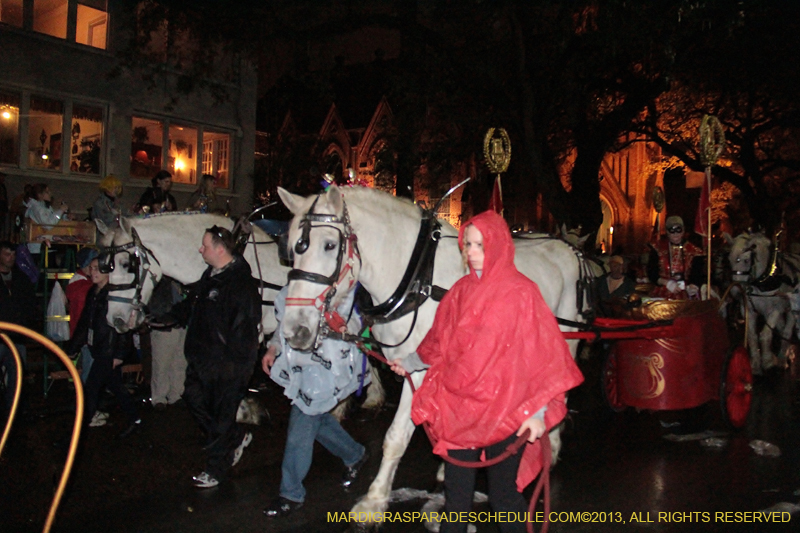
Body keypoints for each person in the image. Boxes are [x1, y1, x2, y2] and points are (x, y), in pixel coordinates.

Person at [389, 211, 583, 533]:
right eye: (468, 244)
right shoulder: (460, 292)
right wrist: (410, 362)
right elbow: (439, 342)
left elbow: (542, 357)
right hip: (460, 412)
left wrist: (537, 412)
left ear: (499, 244)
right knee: (456, 498)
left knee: (503, 496)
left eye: (481, 244)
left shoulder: (522, 293)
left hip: (504, 412)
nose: (473, 252)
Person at [261, 286, 371, 518]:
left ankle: (290, 493)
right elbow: (286, 323)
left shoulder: (347, 286)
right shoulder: (297, 283)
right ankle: (354, 454)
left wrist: (342, 326)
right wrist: (274, 347)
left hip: (328, 370)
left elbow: (360, 322)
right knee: (316, 418)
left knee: (301, 424)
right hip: (302, 368)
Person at [168, 226, 261, 488]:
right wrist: (168, 316)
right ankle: (234, 437)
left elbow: (245, 331)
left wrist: (233, 368)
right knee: (194, 400)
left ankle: (216, 469)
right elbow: (193, 306)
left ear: (220, 249)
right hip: (201, 360)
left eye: (205, 245)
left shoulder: (240, 284)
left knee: (221, 416)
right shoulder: (210, 276)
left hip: (227, 366)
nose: (200, 249)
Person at [67, 258, 141, 435]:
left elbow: (123, 326)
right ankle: (135, 418)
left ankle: (79, 430)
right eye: (91, 268)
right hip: (97, 346)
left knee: (92, 388)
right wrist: (73, 348)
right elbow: (85, 322)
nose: (93, 272)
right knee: (116, 386)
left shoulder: (114, 294)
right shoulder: (93, 292)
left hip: (108, 350)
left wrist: (119, 354)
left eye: (97, 269)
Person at [0, 241, 36, 421]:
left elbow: (29, 305)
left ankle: (14, 410)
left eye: (13, 255)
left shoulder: (21, 279)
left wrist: (25, 326)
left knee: (17, 375)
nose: (11, 258)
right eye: (7, 254)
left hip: (16, 337)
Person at [147, 278, 188, 411]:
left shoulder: (181, 281)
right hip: (164, 324)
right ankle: (159, 397)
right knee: (162, 363)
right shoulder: (159, 282)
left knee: (179, 362)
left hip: (181, 323)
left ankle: (176, 394)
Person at [647, 215, 704, 299]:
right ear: (667, 232)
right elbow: (651, 272)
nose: (676, 234)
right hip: (663, 290)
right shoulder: (658, 247)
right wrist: (666, 283)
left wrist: (693, 285)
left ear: (683, 230)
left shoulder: (693, 251)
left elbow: (697, 273)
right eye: (672, 231)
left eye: (678, 230)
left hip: (685, 291)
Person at [65, 247, 99, 382]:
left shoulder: (86, 283)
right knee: (89, 369)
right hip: (85, 334)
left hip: (90, 333)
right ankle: (85, 396)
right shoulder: (79, 284)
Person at [24, 183, 68, 255]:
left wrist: (65, 217)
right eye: (47, 192)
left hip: (45, 245)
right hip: (38, 248)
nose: (50, 193)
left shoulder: (44, 206)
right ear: (39, 195)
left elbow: (54, 219)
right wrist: (60, 210)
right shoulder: (37, 208)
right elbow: (48, 224)